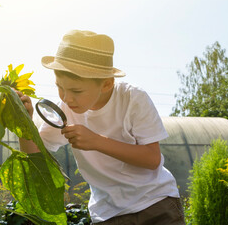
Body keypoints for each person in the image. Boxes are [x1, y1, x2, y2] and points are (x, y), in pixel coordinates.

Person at [17, 30, 185, 225]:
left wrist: (96, 142)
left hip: (156, 204)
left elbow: (152, 159)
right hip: (107, 215)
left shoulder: (132, 99)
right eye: (59, 87)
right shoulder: (66, 109)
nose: (66, 97)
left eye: (76, 90)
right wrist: (24, 123)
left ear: (106, 84)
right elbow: (35, 155)